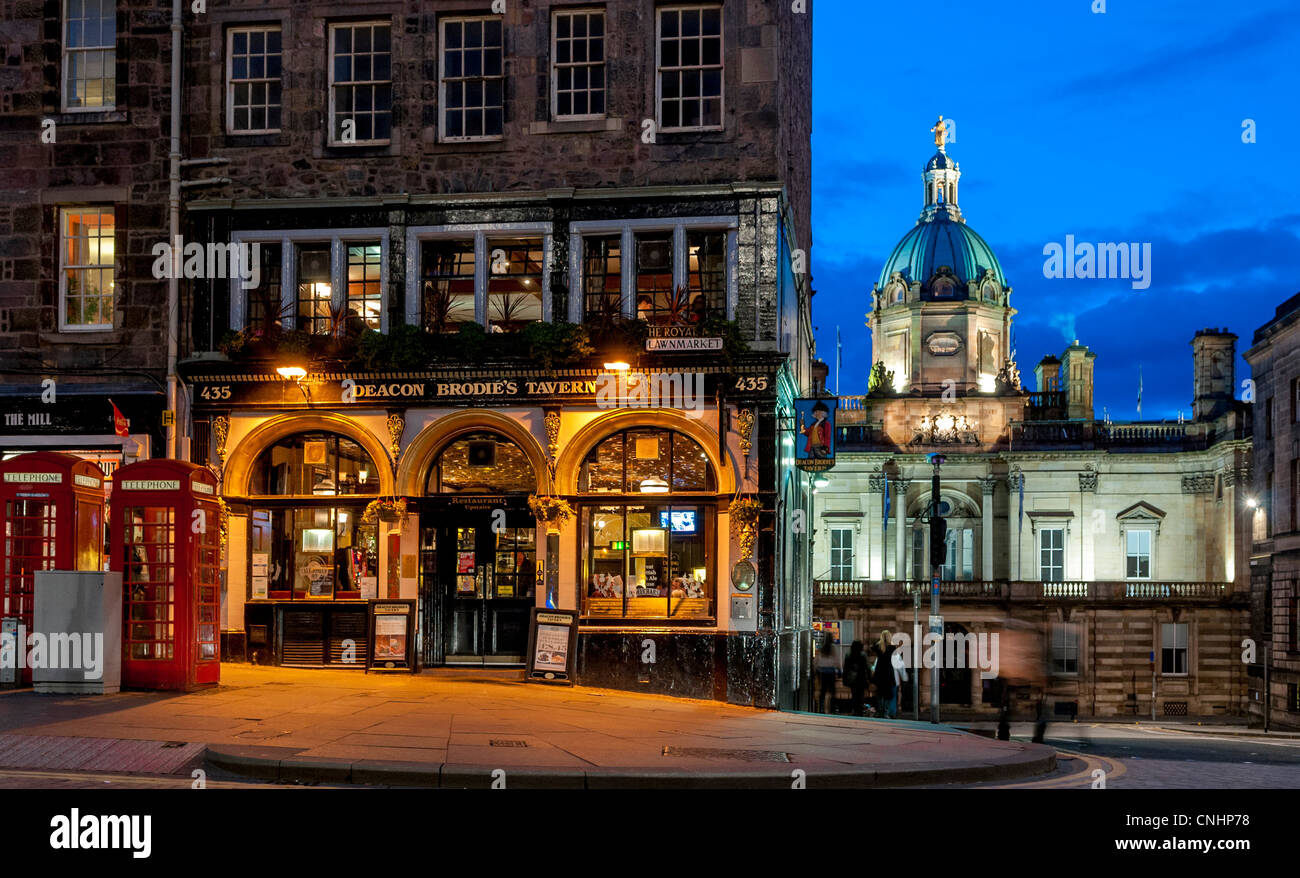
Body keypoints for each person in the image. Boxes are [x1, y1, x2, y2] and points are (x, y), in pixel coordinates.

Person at [870, 629, 899, 719]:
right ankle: (885, 713)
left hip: (879, 672)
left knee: (879, 693)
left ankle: (879, 711)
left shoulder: (878, 646)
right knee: (887, 694)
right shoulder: (892, 647)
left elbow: (872, 647)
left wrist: (880, 641)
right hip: (888, 672)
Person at [842, 640, 871, 717]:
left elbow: (845, 668)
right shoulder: (863, 655)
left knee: (854, 695)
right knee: (860, 696)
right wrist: (870, 678)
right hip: (861, 678)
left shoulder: (849, 654)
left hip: (852, 678)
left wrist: (844, 679)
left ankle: (855, 710)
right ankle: (860, 711)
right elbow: (868, 668)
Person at [814, 634, 838, 714]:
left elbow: (817, 659)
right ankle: (832, 709)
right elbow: (836, 659)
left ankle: (821, 708)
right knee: (832, 691)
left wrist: (815, 668)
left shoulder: (822, 647)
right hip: (831, 671)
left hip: (822, 671)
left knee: (823, 691)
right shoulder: (833, 647)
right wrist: (839, 669)